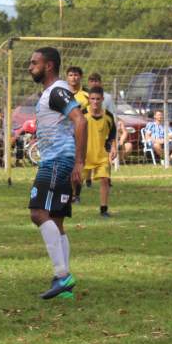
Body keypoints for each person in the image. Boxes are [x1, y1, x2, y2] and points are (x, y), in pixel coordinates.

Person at [27, 47, 87, 300]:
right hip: (60, 159)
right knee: (57, 220)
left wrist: (79, 163)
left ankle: (62, 276)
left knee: (37, 213)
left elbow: (80, 121)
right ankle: (64, 284)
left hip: (57, 161)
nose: (30, 67)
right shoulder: (50, 93)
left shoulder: (57, 92)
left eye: (34, 63)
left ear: (48, 65)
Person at [81, 87, 117, 218]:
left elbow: (112, 134)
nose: (95, 102)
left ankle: (103, 209)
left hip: (101, 155)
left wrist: (113, 147)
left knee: (105, 180)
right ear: (89, 99)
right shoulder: (83, 114)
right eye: (92, 99)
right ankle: (73, 198)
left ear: (102, 99)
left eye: (98, 99)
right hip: (85, 155)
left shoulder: (108, 116)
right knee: (75, 180)